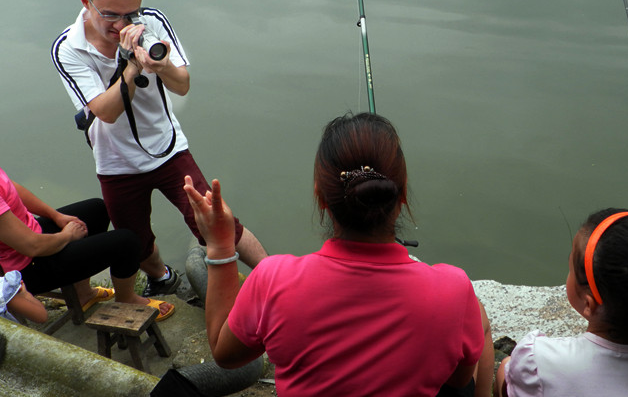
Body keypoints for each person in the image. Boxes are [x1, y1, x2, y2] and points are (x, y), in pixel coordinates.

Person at [183, 112, 486, 396]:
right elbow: (458, 381)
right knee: (479, 319)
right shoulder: (453, 291)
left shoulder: (273, 281)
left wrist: (222, 245)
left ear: (320, 197)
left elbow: (224, 353)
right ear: (401, 194)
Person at [51, 0, 267, 296]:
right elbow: (105, 112)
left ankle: (274, 276)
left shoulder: (152, 22)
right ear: (85, 2)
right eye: (111, 14)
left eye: (130, 13)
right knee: (134, 239)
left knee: (214, 219)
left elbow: (182, 84)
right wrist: (131, 67)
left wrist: (163, 65)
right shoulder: (68, 48)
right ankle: (162, 277)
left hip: (168, 147)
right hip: (115, 161)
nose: (122, 23)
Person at [0, 97, 173, 320]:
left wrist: (56, 215)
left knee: (96, 209)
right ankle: (128, 301)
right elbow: (33, 246)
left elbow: (8, 186)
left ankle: (84, 294)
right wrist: (66, 236)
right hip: (24, 268)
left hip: (26, 240)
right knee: (127, 242)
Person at [495, 208, 628, 397]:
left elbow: (509, 387)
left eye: (571, 270)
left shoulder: (540, 361)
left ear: (589, 304)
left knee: (505, 366)